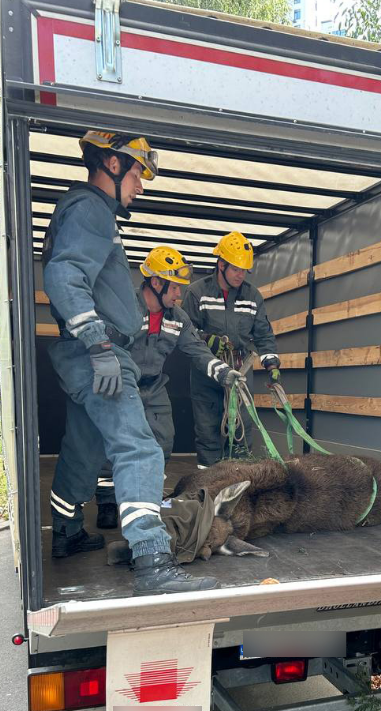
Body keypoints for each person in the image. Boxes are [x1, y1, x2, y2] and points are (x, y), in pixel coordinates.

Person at [42, 130, 238, 596]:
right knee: (140, 449)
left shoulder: (85, 212)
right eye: (137, 173)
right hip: (102, 355)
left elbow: (192, 346)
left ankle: (66, 533)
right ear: (111, 165)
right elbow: (63, 274)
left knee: (83, 451)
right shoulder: (90, 209)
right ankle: (152, 561)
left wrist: (222, 370)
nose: (141, 185)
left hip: (85, 358)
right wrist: (98, 342)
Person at [94, 245, 241, 527]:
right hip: (123, 385)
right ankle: (107, 502)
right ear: (157, 282)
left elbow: (197, 350)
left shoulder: (177, 318)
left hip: (154, 387)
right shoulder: (125, 308)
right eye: (175, 288)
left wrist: (223, 372)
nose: (179, 295)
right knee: (113, 443)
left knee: (162, 441)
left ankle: (147, 498)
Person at [183, 231, 280, 468]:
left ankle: (239, 489)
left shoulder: (252, 296)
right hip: (207, 373)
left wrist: (272, 364)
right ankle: (208, 491)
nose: (241, 274)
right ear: (221, 264)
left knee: (242, 432)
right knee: (207, 433)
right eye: (235, 268)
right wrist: (207, 339)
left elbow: (263, 333)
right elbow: (185, 332)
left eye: (244, 270)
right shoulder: (197, 293)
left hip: (240, 373)